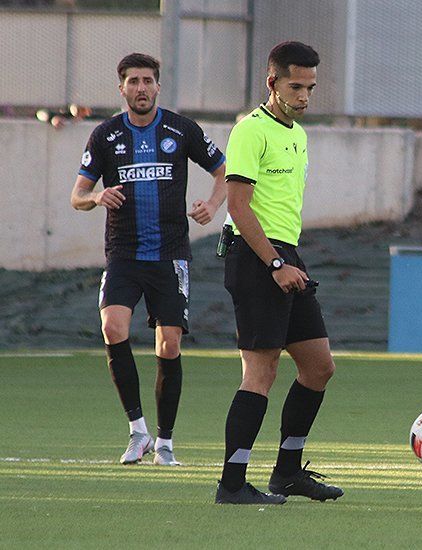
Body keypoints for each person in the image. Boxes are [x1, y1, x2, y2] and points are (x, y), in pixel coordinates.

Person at [70, 53, 226, 466]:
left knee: (169, 343)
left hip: (170, 255)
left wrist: (212, 205)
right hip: (123, 253)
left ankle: (166, 442)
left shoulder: (181, 129)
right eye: (133, 81)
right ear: (121, 88)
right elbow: (77, 195)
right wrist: (97, 196)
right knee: (112, 325)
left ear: (158, 86)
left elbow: (223, 169)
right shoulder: (105, 136)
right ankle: (137, 432)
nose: (141, 88)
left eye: (148, 81)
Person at [214, 41, 344, 505]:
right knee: (260, 372)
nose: (305, 95)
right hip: (257, 259)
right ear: (272, 83)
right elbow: (237, 207)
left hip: (287, 255)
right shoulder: (250, 131)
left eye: (310, 86)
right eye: (296, 86)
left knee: (318, 367)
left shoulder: (298, 134)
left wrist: (286, 261)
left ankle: (287, 473)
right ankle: (231, 484)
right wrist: (274, 264)